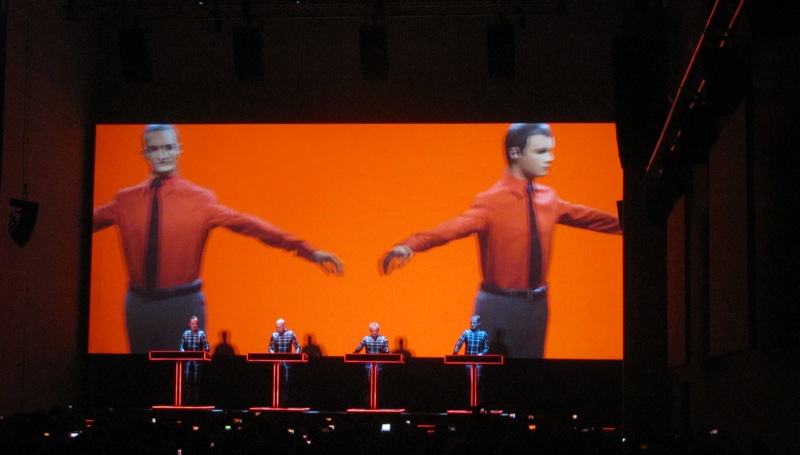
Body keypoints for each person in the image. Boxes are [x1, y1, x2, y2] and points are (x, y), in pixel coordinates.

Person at [92, 124, 344, 353]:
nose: (163, 155)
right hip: (138, 304)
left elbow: (249, 225)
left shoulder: (199, 200)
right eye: (155, 149)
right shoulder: (125, 201)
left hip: (183, 304)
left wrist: (307, 250)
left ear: (179, 149)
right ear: (144, 153)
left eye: (168, 147)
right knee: (139, 377)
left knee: (185, 378)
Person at [380, 123, 621, 358]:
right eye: (541, 151)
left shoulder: (549, 198)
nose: (551, 158)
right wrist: (409, 245)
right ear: (516, 153)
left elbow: (587, 217)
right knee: (488, 375)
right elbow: (453, 228)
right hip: (498, 306)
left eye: (550, 150)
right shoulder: (491, 202)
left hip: (537, 306)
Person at [179, 316, 209, 406]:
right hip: (188, 361)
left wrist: (205, 352)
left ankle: (195, 401)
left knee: (196, 381)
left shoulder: (201, 334)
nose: (194, 325)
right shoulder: (186, 334)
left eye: (196, 323)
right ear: (189, 324)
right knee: (187, 381)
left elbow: (207, 347)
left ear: (198, 324)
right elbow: (181, 346)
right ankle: (187, 401)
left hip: (198, 361)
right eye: (192, 324)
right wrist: (182, 352)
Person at [269, 318, 301, 385]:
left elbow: (297, 346)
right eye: (276, 327)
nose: (278, 329)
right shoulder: (274, 335)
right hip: (277, 362)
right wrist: (274, 356)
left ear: (284, 326)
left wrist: (295, 357)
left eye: (279, 327)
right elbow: (270, 348)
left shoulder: (291, 334)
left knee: (287, 380)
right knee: (277, 380)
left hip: (288, 361)